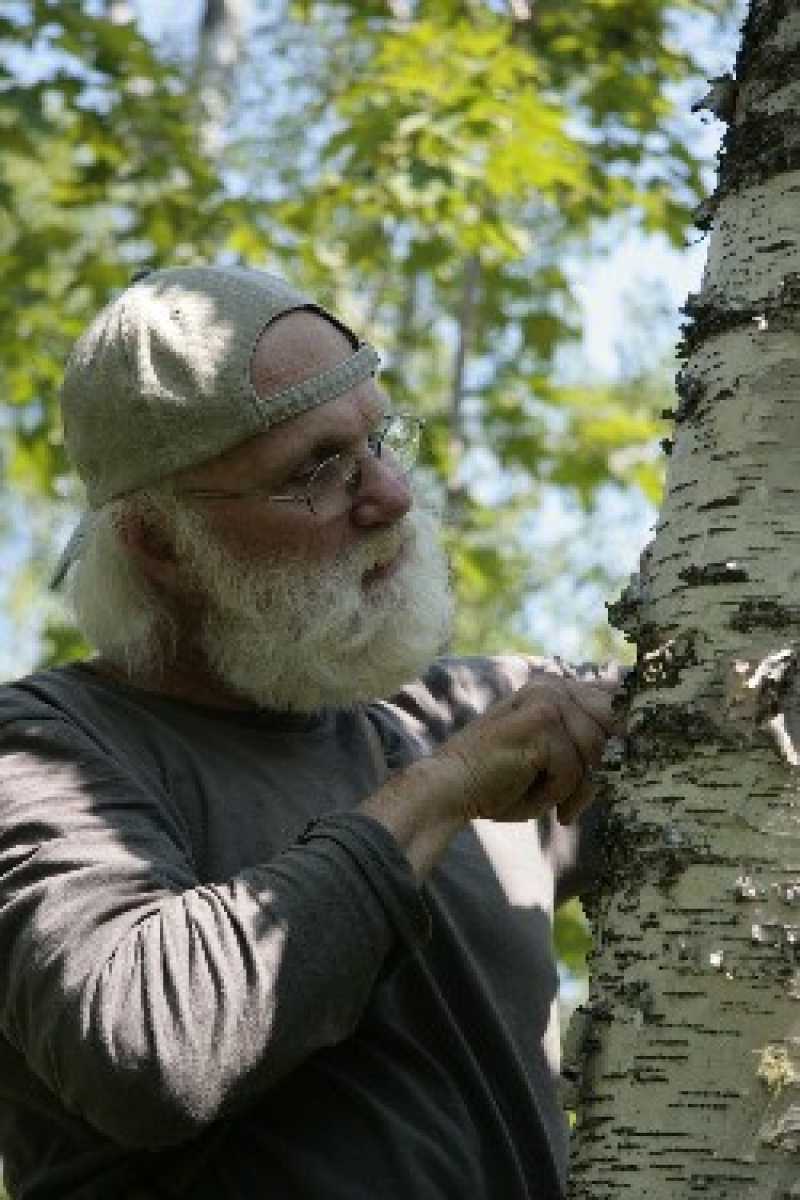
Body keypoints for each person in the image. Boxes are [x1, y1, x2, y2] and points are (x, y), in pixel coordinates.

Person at [0, 266, 621, 1200]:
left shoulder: (460, 719)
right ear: (158, 543)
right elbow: (149, 1046)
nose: (391, 497)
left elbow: (748, 747)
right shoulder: (47, 750)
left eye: (379, 441)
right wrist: (443, 790)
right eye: (316, 473)